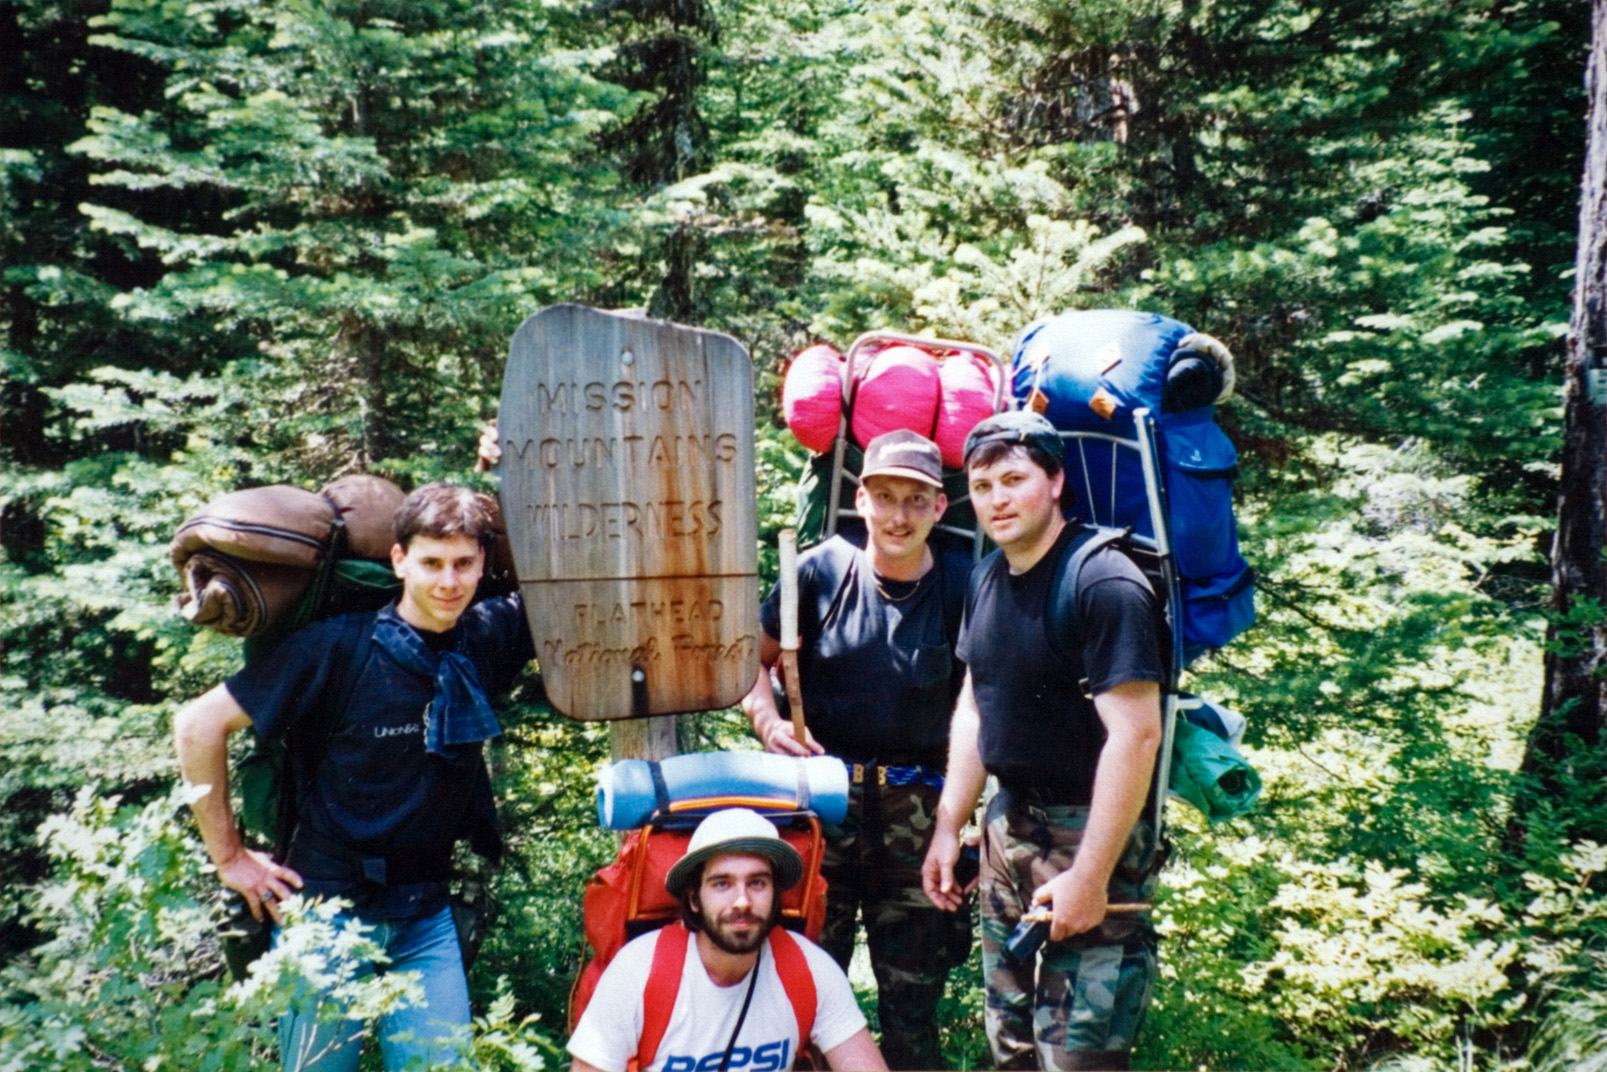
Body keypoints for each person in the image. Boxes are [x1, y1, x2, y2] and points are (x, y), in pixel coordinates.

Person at [174, 483, 535, 1072]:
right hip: (326, 917)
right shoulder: (335, 651)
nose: (449, 582)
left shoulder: (487, 636)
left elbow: (570, 579)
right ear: (399, 561)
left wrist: (500, 468)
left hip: (425, 917)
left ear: (481, 566)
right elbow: (197, 726)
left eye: (464, 564)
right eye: (432, 563)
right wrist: (230, 858)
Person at [920, 411, 1165, 1072]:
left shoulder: (1103, 583)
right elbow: (976, 706)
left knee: (1077, 1060)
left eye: (1014, 479)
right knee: (1013, 1051)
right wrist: (949, 825)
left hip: (1090, 836)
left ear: (1054, 481)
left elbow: (1137, 737)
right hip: (1006, 832)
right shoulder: (987, 579)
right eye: (981, 484)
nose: (997, 499)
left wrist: (1089, 876)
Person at [739, 428, 973, 1070]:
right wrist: (768, 722)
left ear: (939, 508)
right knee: (798, 993)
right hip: (820, 813)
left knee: (912, 1012)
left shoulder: (963, 586)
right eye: (886, 496)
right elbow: (748, 665)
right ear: (861, 498)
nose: (899, 516)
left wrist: (959, 822)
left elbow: (986, 708)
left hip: (921, 828)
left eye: (916, 501)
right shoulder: (820, 570)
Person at [568, 808, 887, 1072]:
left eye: (757, 883)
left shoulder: (808, 970)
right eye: (722, 884)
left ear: (776, 893)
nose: (742, 901)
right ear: (694, 899)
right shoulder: (638, 972)